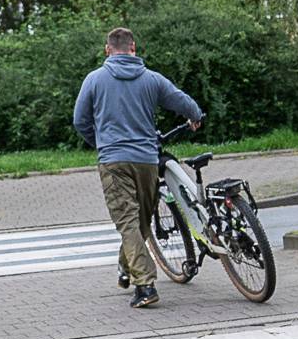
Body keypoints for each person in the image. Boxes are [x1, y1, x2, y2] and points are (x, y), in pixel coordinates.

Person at [72, 27, 202, 309]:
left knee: (130, 222)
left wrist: (101, 142)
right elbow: (180, 100)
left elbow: (80, 120)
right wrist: (195, 115)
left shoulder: (94, 80)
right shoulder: (151, 79)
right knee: (139, 221)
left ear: (108, 49)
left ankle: (145, 285)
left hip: (114, 161)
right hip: (146, 160)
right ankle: (126, 267)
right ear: (133, 48)